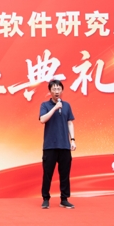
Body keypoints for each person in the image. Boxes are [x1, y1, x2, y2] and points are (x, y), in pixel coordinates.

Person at [38, 79, 75, 209]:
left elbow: (70, 122)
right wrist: (55, 108)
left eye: (59, 89)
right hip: (50, 146)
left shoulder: (67, 106)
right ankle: (45, 198)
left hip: (64, 145)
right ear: (50, 91)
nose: (56, 91)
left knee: (65, 174)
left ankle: (64, 199)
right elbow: (42, 120)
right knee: (47, 174)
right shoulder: (45, 105)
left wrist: (73, 139)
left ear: (62, 90)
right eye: (54, 89)